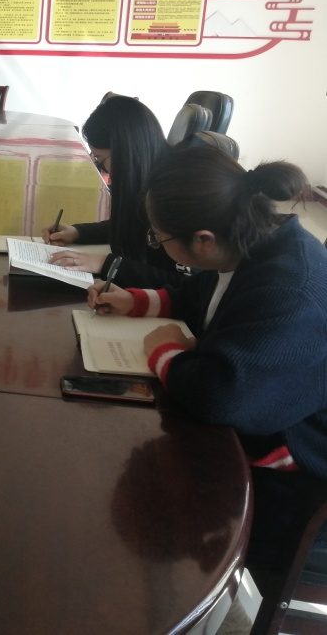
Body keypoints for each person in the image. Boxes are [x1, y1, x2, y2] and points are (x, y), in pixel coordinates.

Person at [89, 145, 327, 620]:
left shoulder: (290, 289)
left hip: (290, 467)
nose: (155, 244)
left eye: (157, 238)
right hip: (257, 421)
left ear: (202, 239)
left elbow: (221, 397)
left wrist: (164, 353)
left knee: (161, 517)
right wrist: (137, 300)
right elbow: (205, 294)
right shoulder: (252, 241)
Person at [43, 94, 185, 288]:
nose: (104, 171)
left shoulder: (174, 194)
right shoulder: (150, 172)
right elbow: (133, 226)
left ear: (125, 150)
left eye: (101, 160)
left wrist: (107, 264)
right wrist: (79, 232)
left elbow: (185, 285)